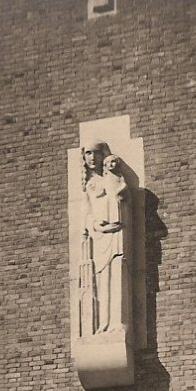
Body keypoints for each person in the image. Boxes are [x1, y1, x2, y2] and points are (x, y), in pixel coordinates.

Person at [79, 142, 131, 336]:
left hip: (116, 232)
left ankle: (118, 322)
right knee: (101, 280)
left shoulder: (114, 177)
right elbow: (86, 213)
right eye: (88, 154)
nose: (92, 157)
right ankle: (103, 323)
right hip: (99, 237)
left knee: (117, 272)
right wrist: (94, 224)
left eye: (96, 153)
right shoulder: (89, 185)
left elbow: (123, 199)